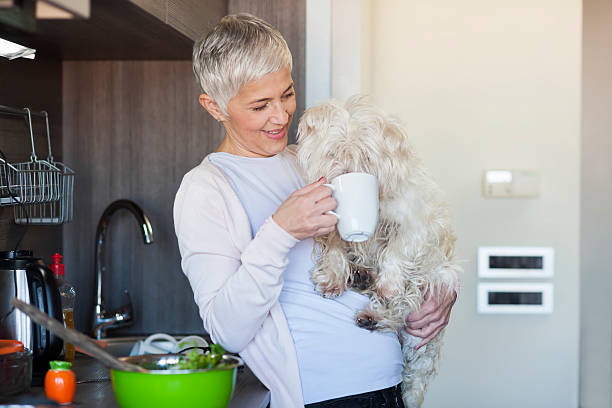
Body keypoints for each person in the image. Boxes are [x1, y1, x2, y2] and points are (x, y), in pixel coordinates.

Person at [173, 13, 457, 408]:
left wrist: (440, 290)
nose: (280, 116)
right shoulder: (206, 189)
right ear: (214, 106)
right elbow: (227, 330)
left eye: (287, 94)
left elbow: (403, 226)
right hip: (323, 398)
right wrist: (280, 232)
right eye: (260, 106)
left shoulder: (314, 159)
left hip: (387, 386)